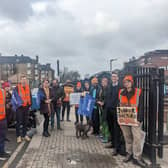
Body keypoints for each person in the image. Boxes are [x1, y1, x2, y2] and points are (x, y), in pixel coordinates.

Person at [119, 75, 147, 167]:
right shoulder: (121, 92)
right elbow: (118, 105)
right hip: (124, 119)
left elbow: (142, 106)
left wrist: (140, 119)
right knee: (127, 137)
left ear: (132, 82)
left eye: (128, 82)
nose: (127, 83)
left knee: (137, 138)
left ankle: (137, 157)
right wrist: (119, 119)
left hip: (135, 120)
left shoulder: (138, 92)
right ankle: (129, 153)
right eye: (125, 82)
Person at [104, 72, 122, 156]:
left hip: (116, 110)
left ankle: (117, 148)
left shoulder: (120, 87)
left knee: (116, 129)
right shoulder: (109, 86)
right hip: (109, 110)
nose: (113, 78)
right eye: (112, 77)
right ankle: (113, 143)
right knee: (111, 128)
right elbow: (107, 97)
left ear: (118, 78)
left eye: (115, 76)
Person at [15, 75, 31, 143]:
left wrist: (30, 105)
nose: (24, 81)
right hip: (20, 108)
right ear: (20, 81)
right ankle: (18, 136)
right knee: (19, 122)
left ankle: (24, 135)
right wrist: (18, 105)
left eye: (25, 80)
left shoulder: (28, 87)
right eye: (23, 80)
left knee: (25, 122)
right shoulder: (17, 88)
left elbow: (29, 96)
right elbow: (14, 98)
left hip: (26, 107)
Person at [0, 86, 10, 158]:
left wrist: (7, 105)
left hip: (3, 118)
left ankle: (2, 151)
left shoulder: (3, 92)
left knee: (2, 136)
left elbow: (4, 102)